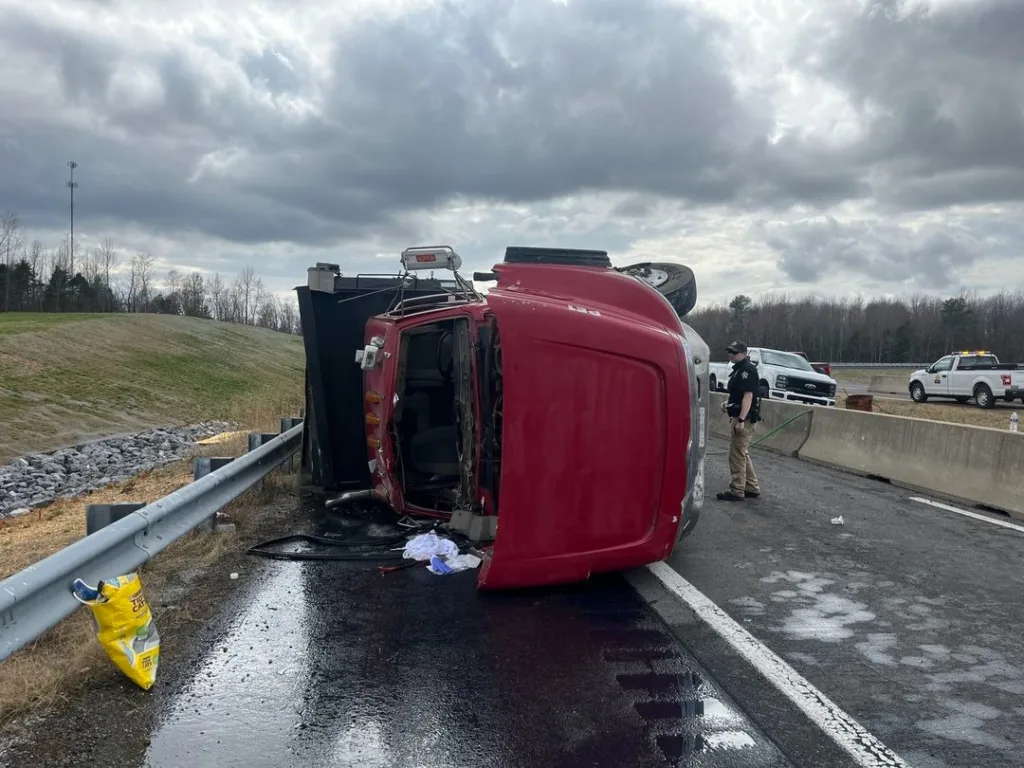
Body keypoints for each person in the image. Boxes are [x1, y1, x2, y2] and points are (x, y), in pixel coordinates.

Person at [716, 341, 761, 502]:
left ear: (743, 353)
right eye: (730, 352)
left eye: (734, 352)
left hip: (745, 419)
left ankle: (737, 489)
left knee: (736, 455)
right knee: (742, 453)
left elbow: (748, 396)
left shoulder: (747, 370)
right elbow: (739, 394)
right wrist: (728, 404)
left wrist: (741, 419)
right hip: (739, 415)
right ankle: (751, 486)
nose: (731, 355)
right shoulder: (739, 370)